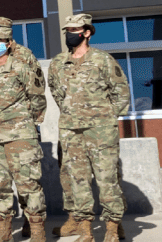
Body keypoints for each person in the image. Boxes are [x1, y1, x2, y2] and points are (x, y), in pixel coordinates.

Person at [48, 14, 130, 242]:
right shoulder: (58, 63)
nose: (69, 34)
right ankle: (85, 231)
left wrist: (105, 116)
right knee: (77, 180)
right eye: (67, 30)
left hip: (100, 131)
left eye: (74, 30)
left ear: (86, 32)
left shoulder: (103, 60)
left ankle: (112, 230)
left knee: (107, 179)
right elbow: (57, 93)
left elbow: (120, 92)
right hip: (71, 130)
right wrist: (73, 111)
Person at [0, 26, 48, 242]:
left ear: (9, 43)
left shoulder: (20, 66)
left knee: (28, 183)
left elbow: (37, 97)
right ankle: (3, 230)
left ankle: (36, 229)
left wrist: (25, 121)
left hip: (20, 135)